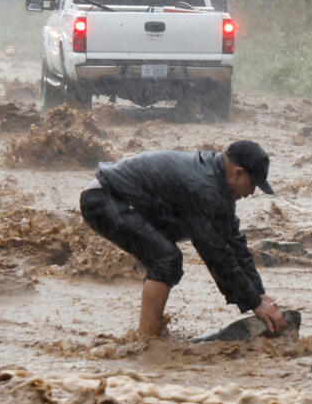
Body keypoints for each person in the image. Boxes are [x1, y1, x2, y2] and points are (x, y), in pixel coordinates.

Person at [79, 140, 287, 338]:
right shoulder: (203, 188)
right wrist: (253, 303)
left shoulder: (219, 187)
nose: (251, 192)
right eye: (253, 184)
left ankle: (149, 336)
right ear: (238, 172)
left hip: (128, 201)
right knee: (166, 260)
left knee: (166, 258)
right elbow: (215, 254)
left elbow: (234, 244)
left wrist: (258, 294)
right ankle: (146, 341)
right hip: (103, 199)